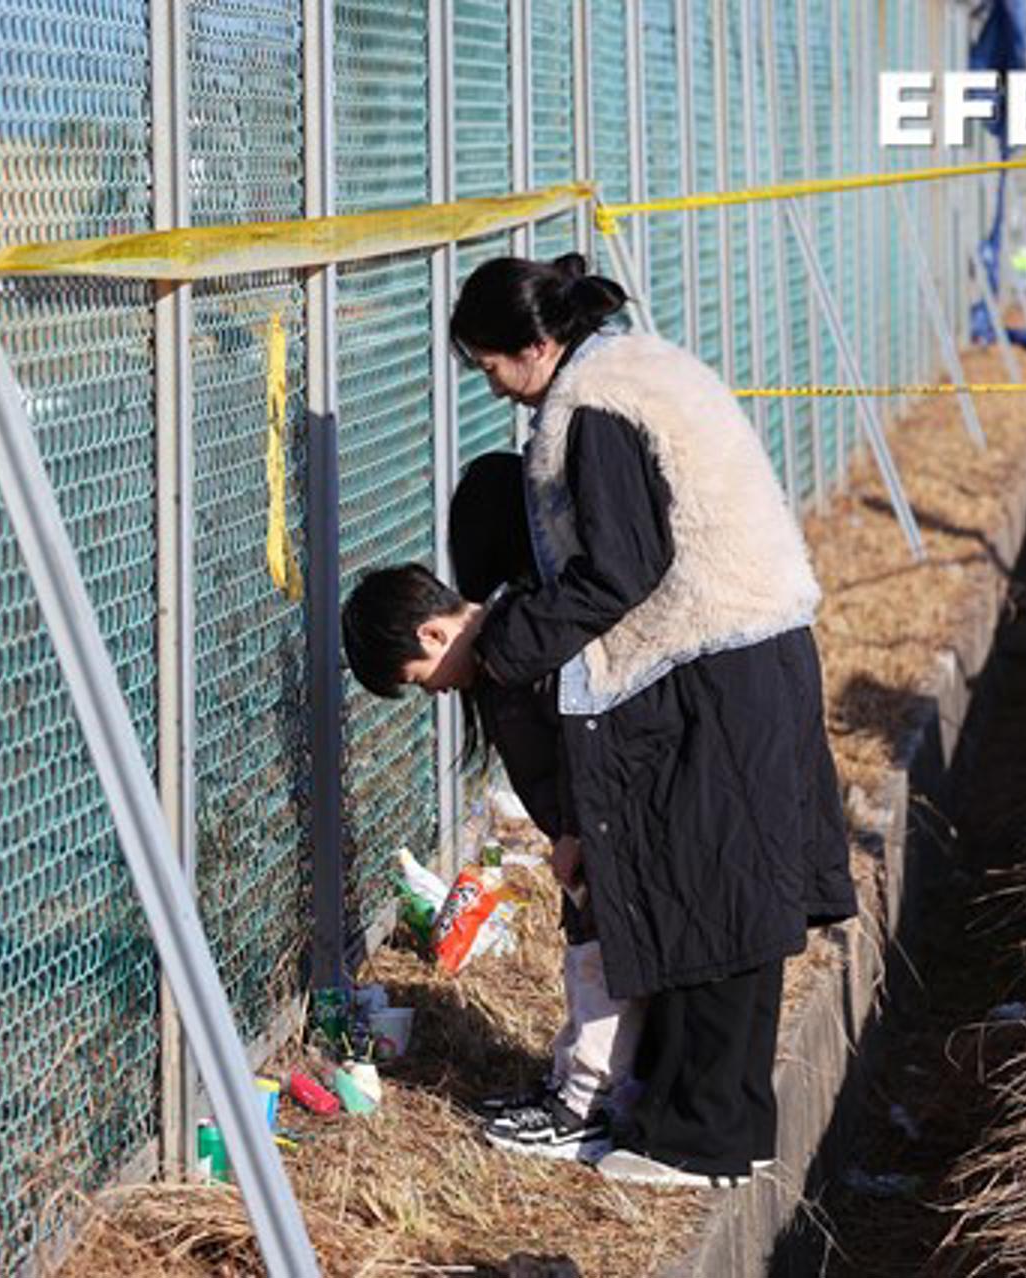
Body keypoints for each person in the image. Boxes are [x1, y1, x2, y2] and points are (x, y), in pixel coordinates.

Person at [346, 252, 856, 1189]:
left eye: (492, 364)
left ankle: (700, 1139)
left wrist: (507, 642)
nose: (493, 386)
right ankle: (692, 1123)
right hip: (743, 649)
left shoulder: (594, 411)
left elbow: (622, 570)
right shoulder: (625, 376)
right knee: (716, 896)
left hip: (718, 660)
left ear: (538, 345)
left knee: (715, 903)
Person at [439, 453, 643, 1162]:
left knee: (599, 955)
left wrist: (577, 830)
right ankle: (576, 1080)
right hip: (582, 826)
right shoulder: (535, 623)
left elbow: (574, 744)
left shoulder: (523, 643)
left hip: (590, 826)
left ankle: (589, 1097)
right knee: (590, 951)